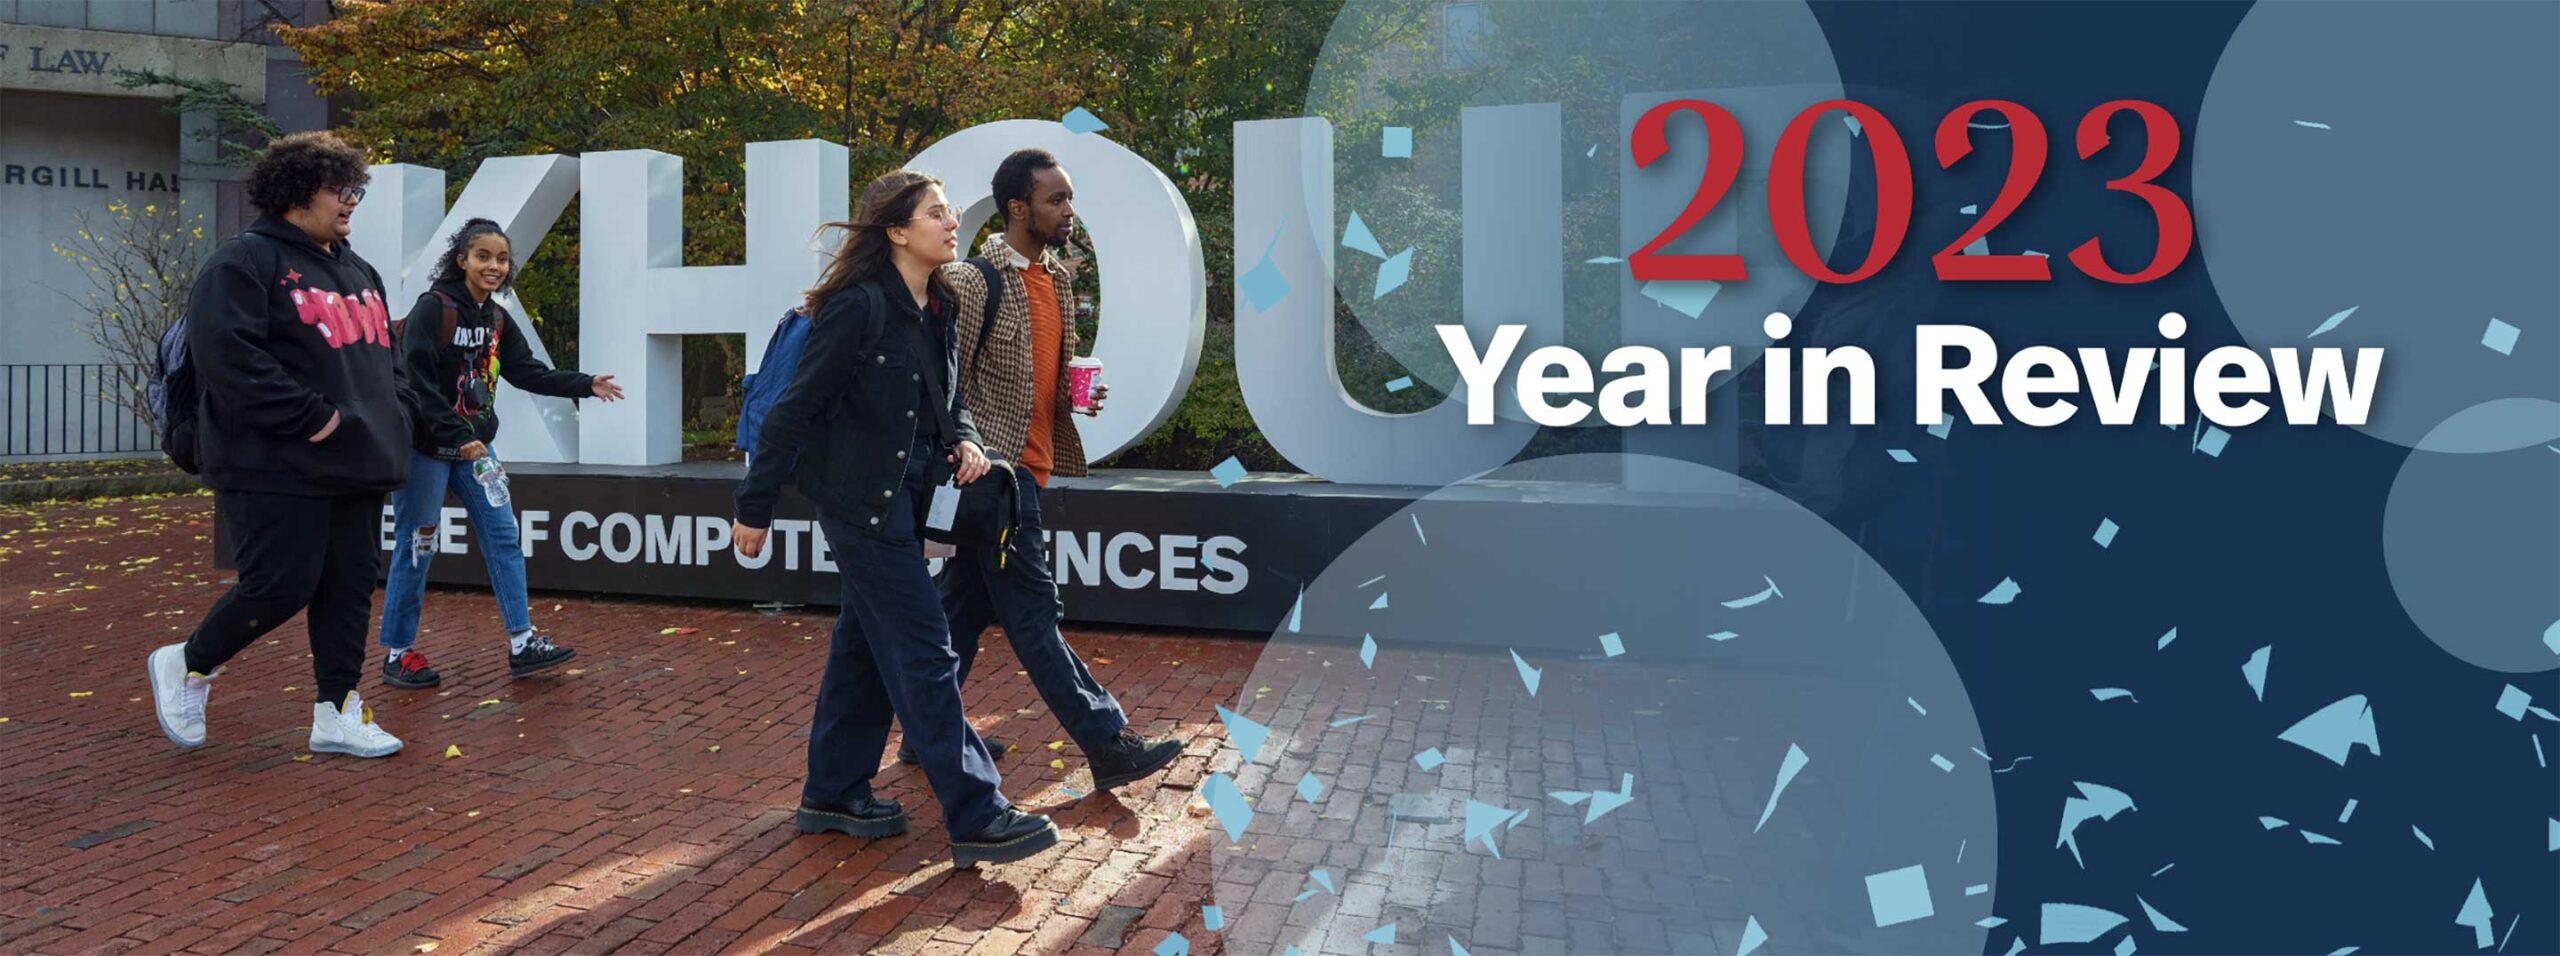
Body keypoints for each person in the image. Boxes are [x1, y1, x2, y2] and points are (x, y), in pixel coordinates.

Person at [731, 170, 1059, 867]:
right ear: (897, 231)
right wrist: (753, 508)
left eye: (948, 212)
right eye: (936, 213)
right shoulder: (856, 308)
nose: (950, 224)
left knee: (862, 648)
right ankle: (978, 813)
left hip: (906, 503)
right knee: (924, 650)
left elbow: (950, 398)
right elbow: (794, 411)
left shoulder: (936, 304)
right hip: (859, 506)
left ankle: (832, 791)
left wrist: (966, 436)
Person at [925, 148, 1183, 790]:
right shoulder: (971, 280)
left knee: (957, 614)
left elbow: (1045, 373)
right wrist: (964, 445)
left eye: (1069, 198)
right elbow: (941, 384)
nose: (1070, 211)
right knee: (1034, 614)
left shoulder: (1060, 281)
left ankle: (928, 730)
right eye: (1057, 200)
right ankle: (1107, 742)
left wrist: (1073, 396)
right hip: (995, 482)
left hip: (1033, 467)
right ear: (1020, 208)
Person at [146, 131, 409, 758]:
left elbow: (385, 356)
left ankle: (337, 712)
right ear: (296, 192)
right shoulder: (243, 262)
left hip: (359, 459)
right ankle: (188, 662)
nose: (350, 202)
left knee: (348, 587)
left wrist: (398, 413)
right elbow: (227, 358)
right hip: (273, 461)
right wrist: (313, 418)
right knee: (280, 584)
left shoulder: (358, 268)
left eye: (356, 191)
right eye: (339, 190)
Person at [377, 218, 626, 689]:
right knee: (417, 546)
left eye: (501, 259)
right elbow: (416, 385)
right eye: (483, 256)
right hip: (428, 449)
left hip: (475, 451)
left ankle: (522, 642)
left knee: (503, 536)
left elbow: (527, 371)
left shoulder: (495, 317)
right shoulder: (434, 309)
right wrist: (457, 433)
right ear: (462, 259)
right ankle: (398, 653)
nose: (493, 266)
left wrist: (584, 385)